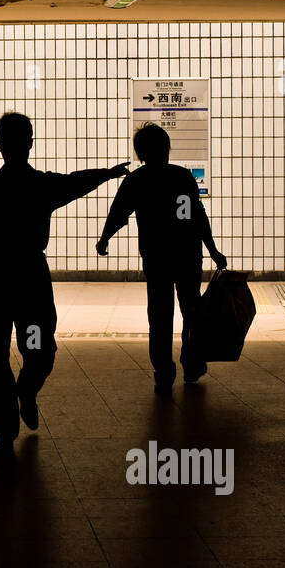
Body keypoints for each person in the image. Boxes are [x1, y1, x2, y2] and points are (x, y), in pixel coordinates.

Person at [0, 112, 128, 458]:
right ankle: (26, 389)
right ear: (30, 143)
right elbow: (75, 182)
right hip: (31, 277)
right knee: (39, 346)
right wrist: (109, 174)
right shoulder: (41, 185)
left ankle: (4, 430)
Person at [96, 123, 227, 395]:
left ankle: (163, 371)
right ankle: (192, 363)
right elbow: (197, 217)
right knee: (191, 310)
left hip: (156, 257)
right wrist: (213, 250)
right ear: (167, 149)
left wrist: (105, 238)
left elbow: (119, 212)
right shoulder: (182, 177)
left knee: (159, 315)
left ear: (140, 153)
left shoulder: (136, 180)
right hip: (188, 255)